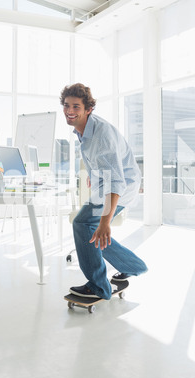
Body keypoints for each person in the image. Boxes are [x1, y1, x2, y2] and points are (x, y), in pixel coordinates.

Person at [60, 83, 148, 300]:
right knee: (89, 228)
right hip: (110, 184)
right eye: (66, 105)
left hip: (120, 187)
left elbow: (115, 181)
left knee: (84, 224)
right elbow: (102, 162)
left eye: (76, 106)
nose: (70, 111)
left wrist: (105, 222)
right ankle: (134, 265)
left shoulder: (101, 133)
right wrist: (94, 173)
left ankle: (99, 287)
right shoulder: (84, 129)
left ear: (88, 109)